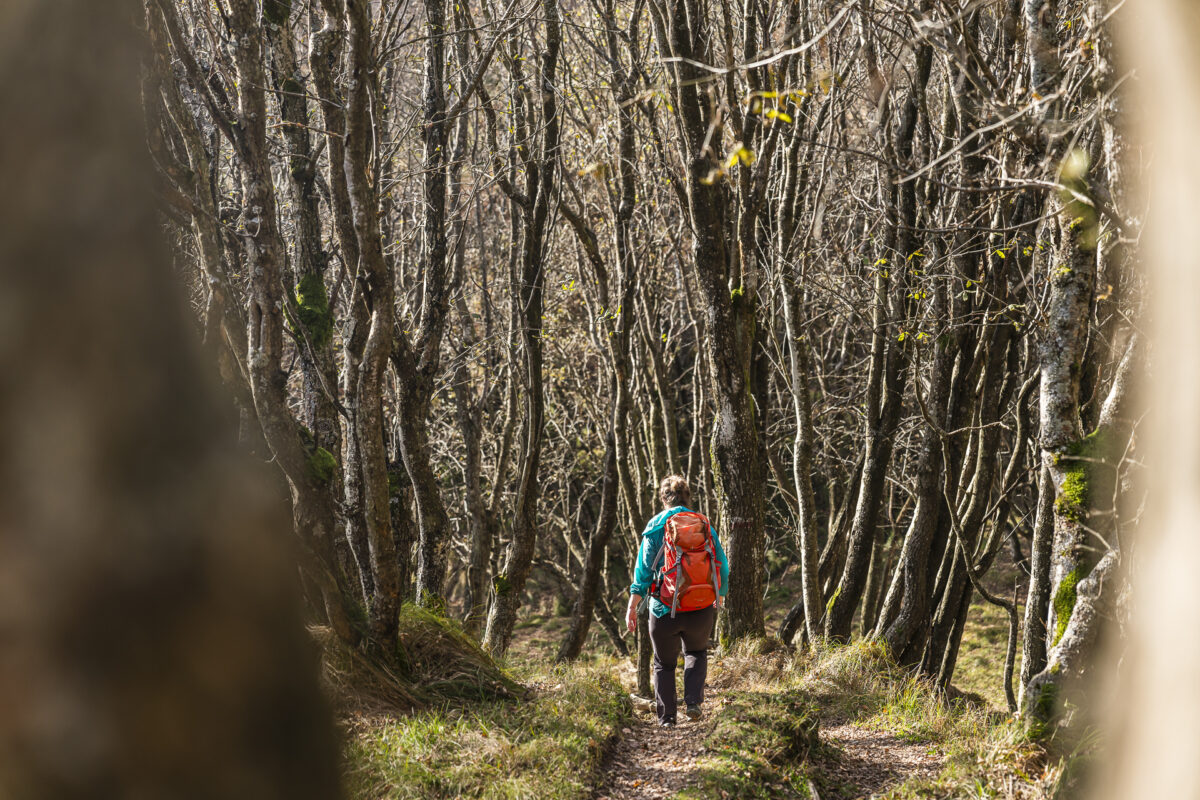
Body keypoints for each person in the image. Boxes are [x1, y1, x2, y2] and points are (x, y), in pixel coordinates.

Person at [626, 475, 729, 727]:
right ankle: (693, 702)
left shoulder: (655, 526)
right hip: (701, 606)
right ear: (688, 497)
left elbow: (644, 571)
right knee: (696, 652)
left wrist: (632, 604)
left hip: (663, 608)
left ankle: (667, 718)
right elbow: (722, 565)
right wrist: (720, 596)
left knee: (664, 664)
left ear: (663, 499)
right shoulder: (703, 523)